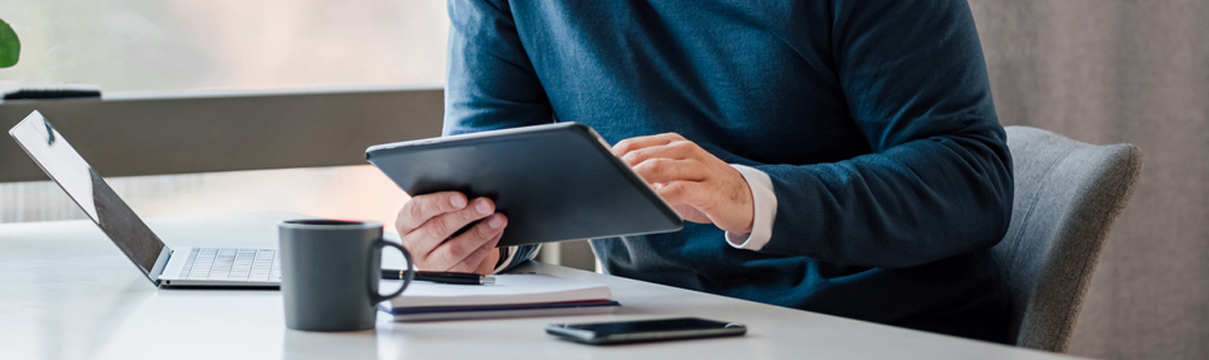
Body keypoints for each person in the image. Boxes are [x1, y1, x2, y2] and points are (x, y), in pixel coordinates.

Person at [396, 0, 1015, 343]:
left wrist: (754, 197)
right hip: (649, 322)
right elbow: (491, 176)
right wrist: (469, 240)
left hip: (874, 327)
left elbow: (971, 179)